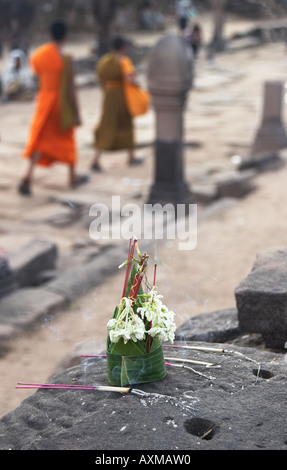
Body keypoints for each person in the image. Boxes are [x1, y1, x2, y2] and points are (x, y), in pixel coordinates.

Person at [18, 20, 88, 196]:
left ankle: (28, 176)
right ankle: (72, 176)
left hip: (44, 102)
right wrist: (77, 113)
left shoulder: (39, 55)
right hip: (61, 105)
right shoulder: (66, 60)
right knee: (68, 139)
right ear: (66, 37)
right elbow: (71, 89)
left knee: (40, 140)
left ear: (49, 35)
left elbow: (37, 77)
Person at [91, 36, 143, 171]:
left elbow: (100, 80)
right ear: (123, 48)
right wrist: (138, 85)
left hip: (109, 95)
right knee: (127, 125)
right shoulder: (124, 61)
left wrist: (107, 92)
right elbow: (128, 78)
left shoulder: (104, 61)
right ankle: (131, 157)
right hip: (122, 96)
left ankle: (96, 159)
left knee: (106, 124)